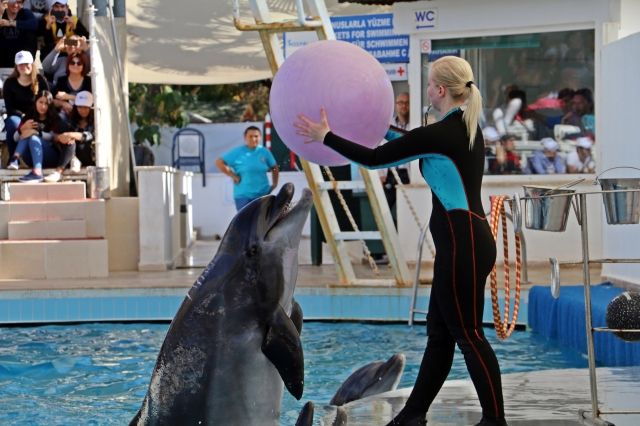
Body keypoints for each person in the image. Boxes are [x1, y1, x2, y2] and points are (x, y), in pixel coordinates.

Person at [295, 55, 507, 426]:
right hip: (464, 245)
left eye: (428, 84)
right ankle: (413, 415)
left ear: (440, 90)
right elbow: (408, 141)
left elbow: (377, 160)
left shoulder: (444, 132)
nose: (426, 90)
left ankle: (495, 422)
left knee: (469, 336)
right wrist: (371, 124)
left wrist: (324, 137)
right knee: (440, 336)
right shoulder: (458, 128)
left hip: (464, 247)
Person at [215, 126, 279, 211]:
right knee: (245, 221)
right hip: (243, 196)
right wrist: (233, 176)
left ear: (260, 137)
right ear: (245, 137)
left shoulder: (264, 152)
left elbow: (274, 167)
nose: (253, 139)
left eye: (256, 136)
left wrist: (275, 183)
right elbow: (219, 162)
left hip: (263, 194)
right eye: (251, 136)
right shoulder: (237, 152)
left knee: (263, 222)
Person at [6, 90, 63, 182]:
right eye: (40, 102)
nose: (43, 106)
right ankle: (15, 159)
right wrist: (22, 129)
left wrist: (36, 133)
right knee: (26, 133)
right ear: (35, 102)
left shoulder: (55, 118)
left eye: (46, 103)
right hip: (31, 157)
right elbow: (15, 139)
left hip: (52, 156)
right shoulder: (29, 116)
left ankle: (37, 172)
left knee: (33, 136)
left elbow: (55, 137)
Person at [2, 50, 49, 157]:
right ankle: (12, 157)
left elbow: (47, 101)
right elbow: (10, 108)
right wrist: (23, 116)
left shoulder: (41, 81)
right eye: (20, 64)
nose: (24, 66)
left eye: (26, 63)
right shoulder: (9, 83)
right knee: (13, 122)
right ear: (16, 66)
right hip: (18, 116)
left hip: (38, 115)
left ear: (32, 64)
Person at [44, 90, 94, 182]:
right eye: (80, 107)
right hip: (71, 152)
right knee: (63, 125)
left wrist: (70, 135)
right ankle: (73, 158)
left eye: (86, 107)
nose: (82, 111)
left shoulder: (94, 121)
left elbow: (90, 135)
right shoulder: (72, 119)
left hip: (86, 153)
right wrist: (61, 137)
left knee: (77, 141)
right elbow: (54, 137)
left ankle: (59, 171)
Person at [0, 0, 38, 68]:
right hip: (3, 49)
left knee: (31, 35)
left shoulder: (24, 12)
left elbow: (35, 24)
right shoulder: (2, 11)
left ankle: (27, 66)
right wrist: (0, 13)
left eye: (19, 2)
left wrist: (11, 23)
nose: (15, 5)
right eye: (13, 1)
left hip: (19, 50)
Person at [52, 51, 91, 116]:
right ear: (68, 65)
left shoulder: (88, 81)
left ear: (83, 66)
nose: (75, 65)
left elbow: (89, 99)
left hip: (84, 116)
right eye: (72, 62)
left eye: (79, 63)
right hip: (65, 115)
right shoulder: (62, 80)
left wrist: (68, 96)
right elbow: (53, 101)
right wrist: (63, 103)